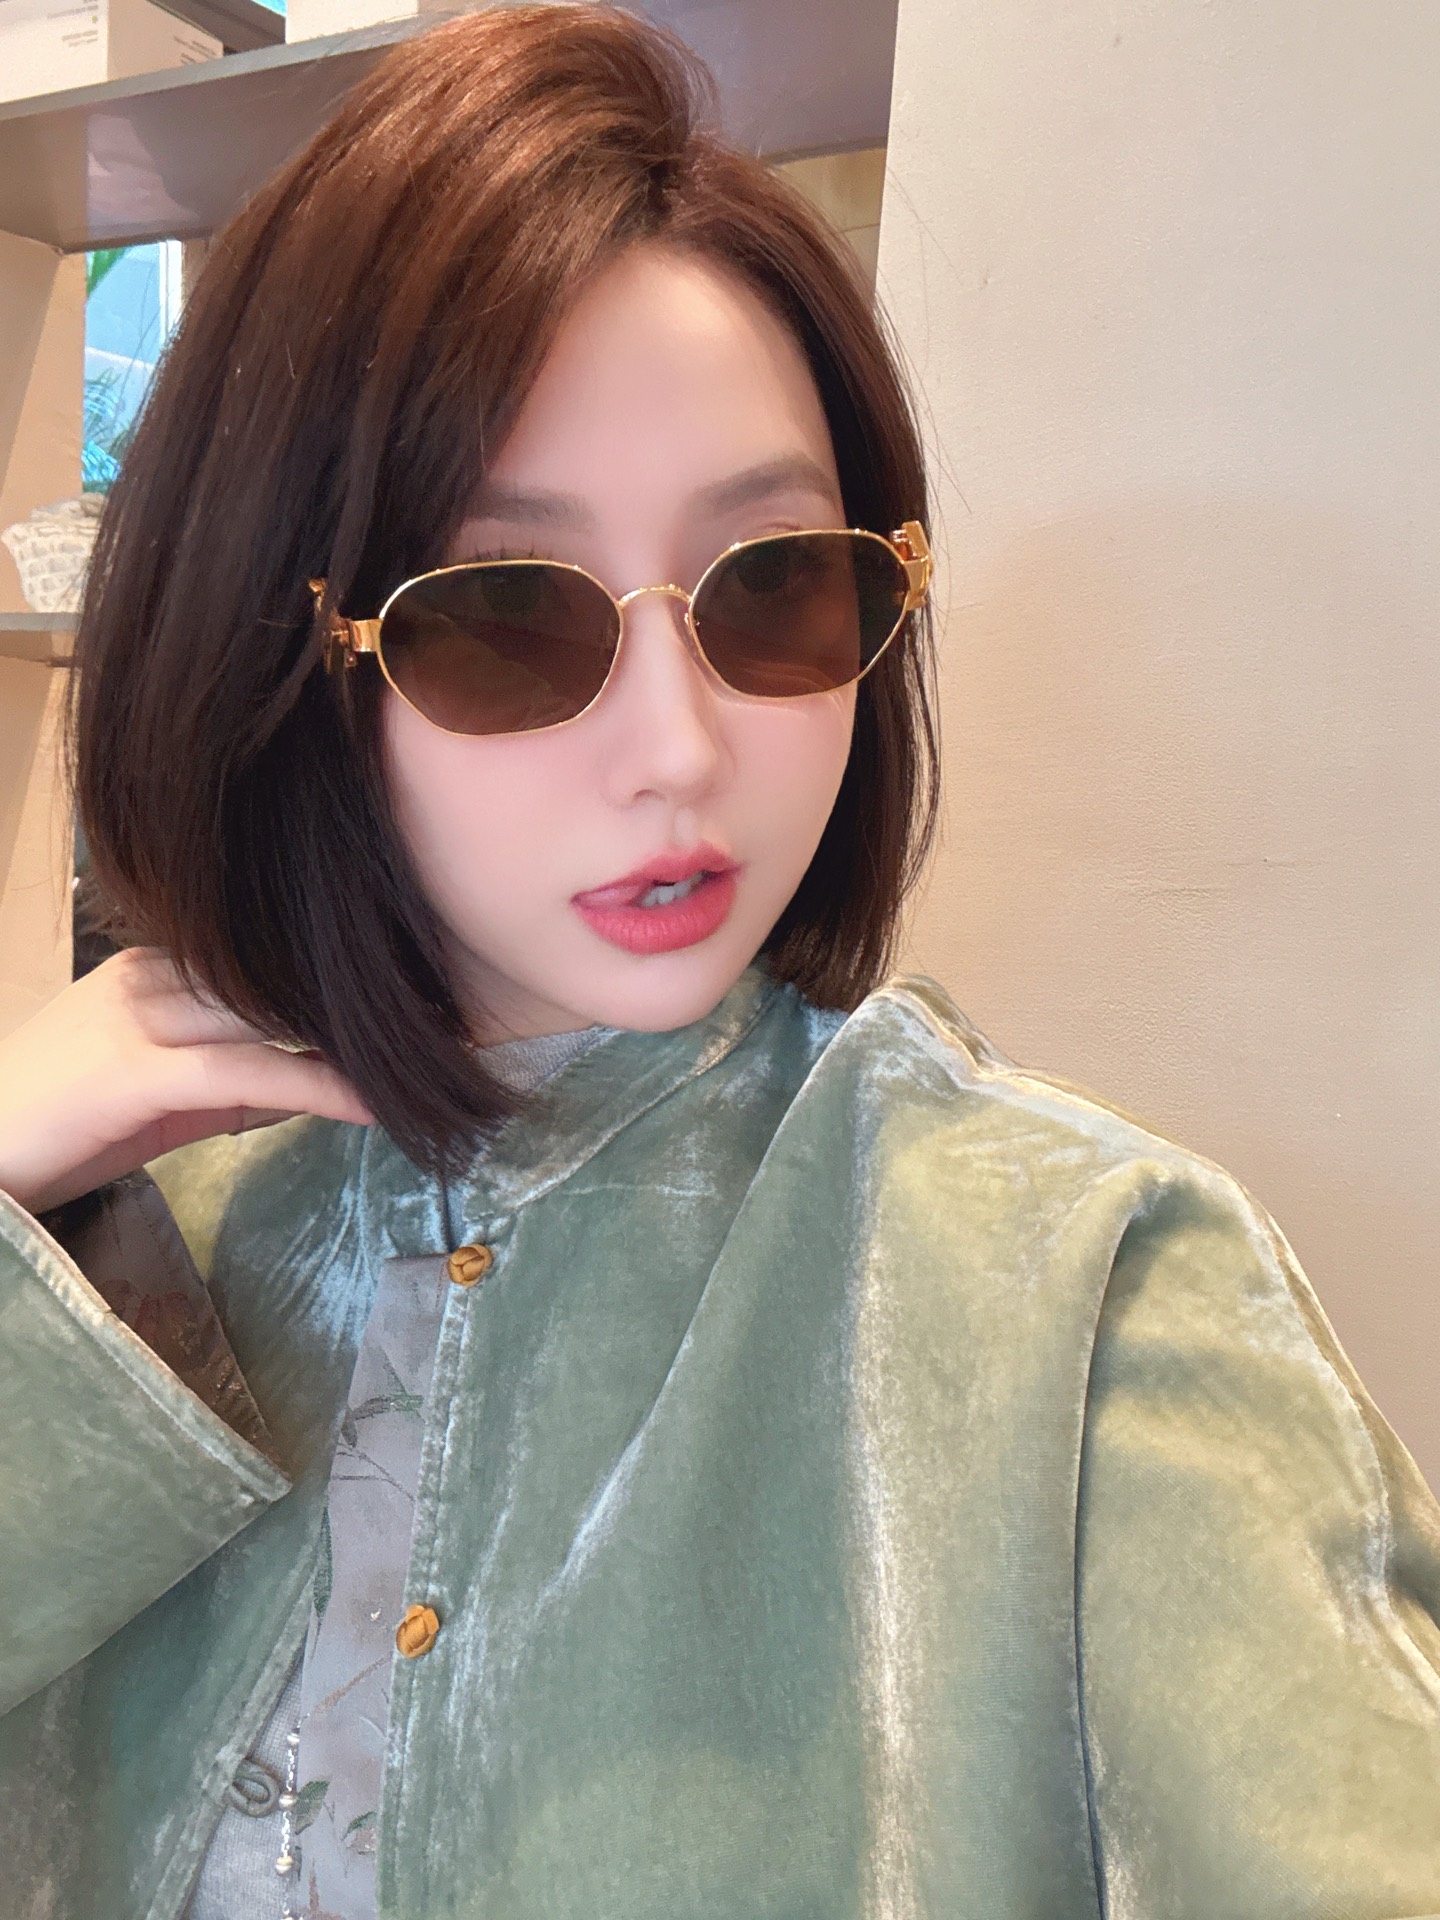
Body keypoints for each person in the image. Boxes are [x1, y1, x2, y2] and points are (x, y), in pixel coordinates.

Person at [0, 6, 1436, 1916]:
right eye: (504, 618)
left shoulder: (1082, 1297)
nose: (680, 751)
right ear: (278, 651)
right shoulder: (125, 1245)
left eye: (775, 587)